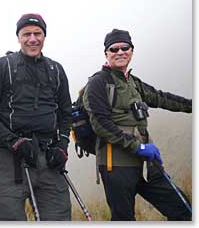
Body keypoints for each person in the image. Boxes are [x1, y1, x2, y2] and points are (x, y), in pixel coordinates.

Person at [82, 28, 192, 221]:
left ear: (132, 50)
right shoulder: (98, 84)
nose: (120, 52)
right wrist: (139, 147)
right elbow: (101, 125)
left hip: (146, 163)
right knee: (124, 220)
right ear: (106, 54)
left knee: (182, 209)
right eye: (113, 49)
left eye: (125, 47)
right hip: (115, 165)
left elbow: (161, 98)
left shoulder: (133, 82)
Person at [0, 13, 72, 221]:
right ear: (18, 37)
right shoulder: (3, 67)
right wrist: (13, 141)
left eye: (38, 33)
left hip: (50, 158)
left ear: (44, 36)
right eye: (26, 33)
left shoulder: (56, 70)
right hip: (10, 160)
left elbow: (65, 114)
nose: (32, 39)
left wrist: (62, 147)